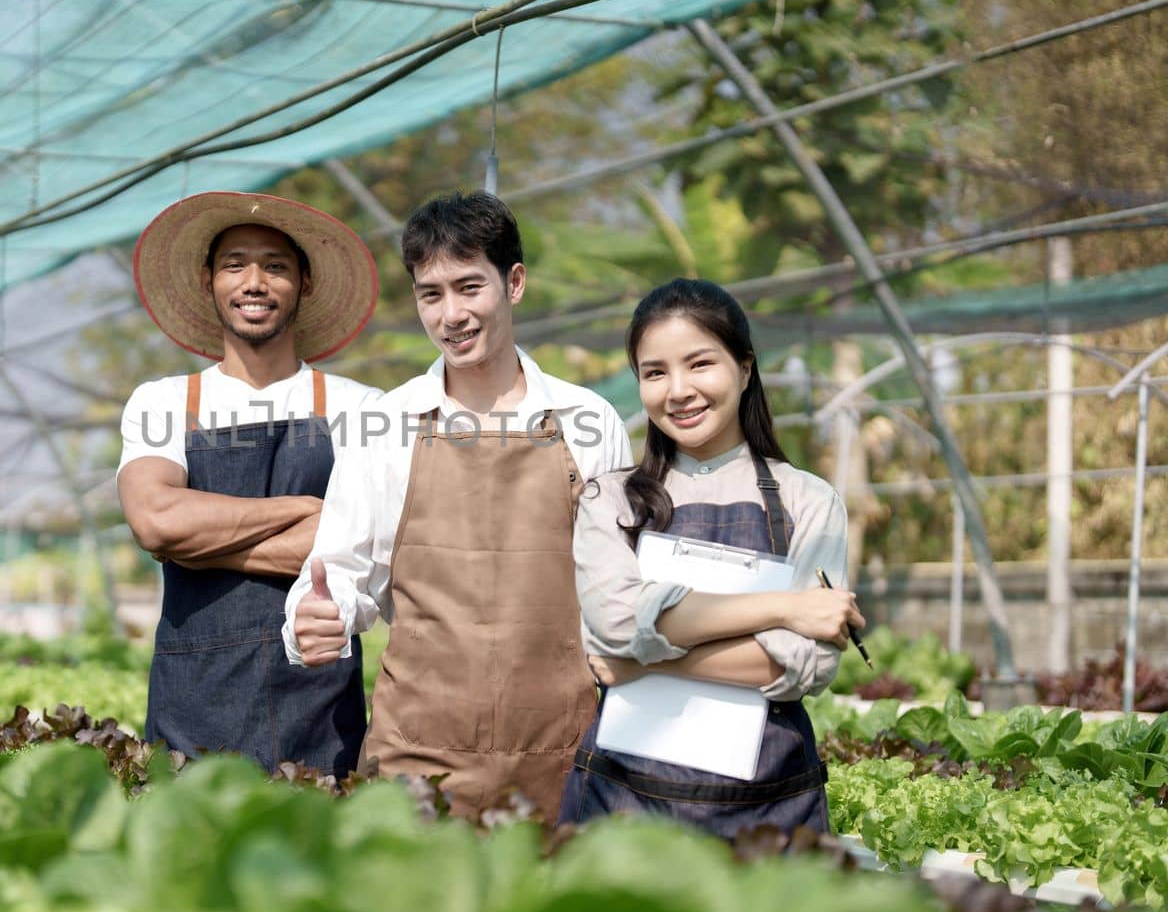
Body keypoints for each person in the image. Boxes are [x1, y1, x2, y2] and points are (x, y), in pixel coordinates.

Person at [284, 191, 631, 820]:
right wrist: (316, 617)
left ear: (514, 282)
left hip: (563, 756)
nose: (451, 315)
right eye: (430, 294)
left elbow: (621, 583)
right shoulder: (384, 422)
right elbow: (340, 573)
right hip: (417, 757)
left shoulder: (588, 421)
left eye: (470, 287)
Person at [557, 277, 864, 837]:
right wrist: (782, 607)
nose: (678, 390)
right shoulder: (609, 501)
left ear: (744, 369)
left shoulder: (809, 501)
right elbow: (616, 625)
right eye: (655, 373)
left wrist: (642, 662)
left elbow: (802, 665)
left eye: (700, 364)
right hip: (623, 804)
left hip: (769, 812)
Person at [117, 191, 381, 777]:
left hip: (318, 696)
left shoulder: (360, 406)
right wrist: (306, 511)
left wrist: (196, 542)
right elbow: (155, 521)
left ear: (305, 284)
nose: (254, 281)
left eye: (276, 266)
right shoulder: (162, 402)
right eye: (235, 264)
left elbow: (365, 547)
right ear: (209, 279)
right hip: (192, 695)